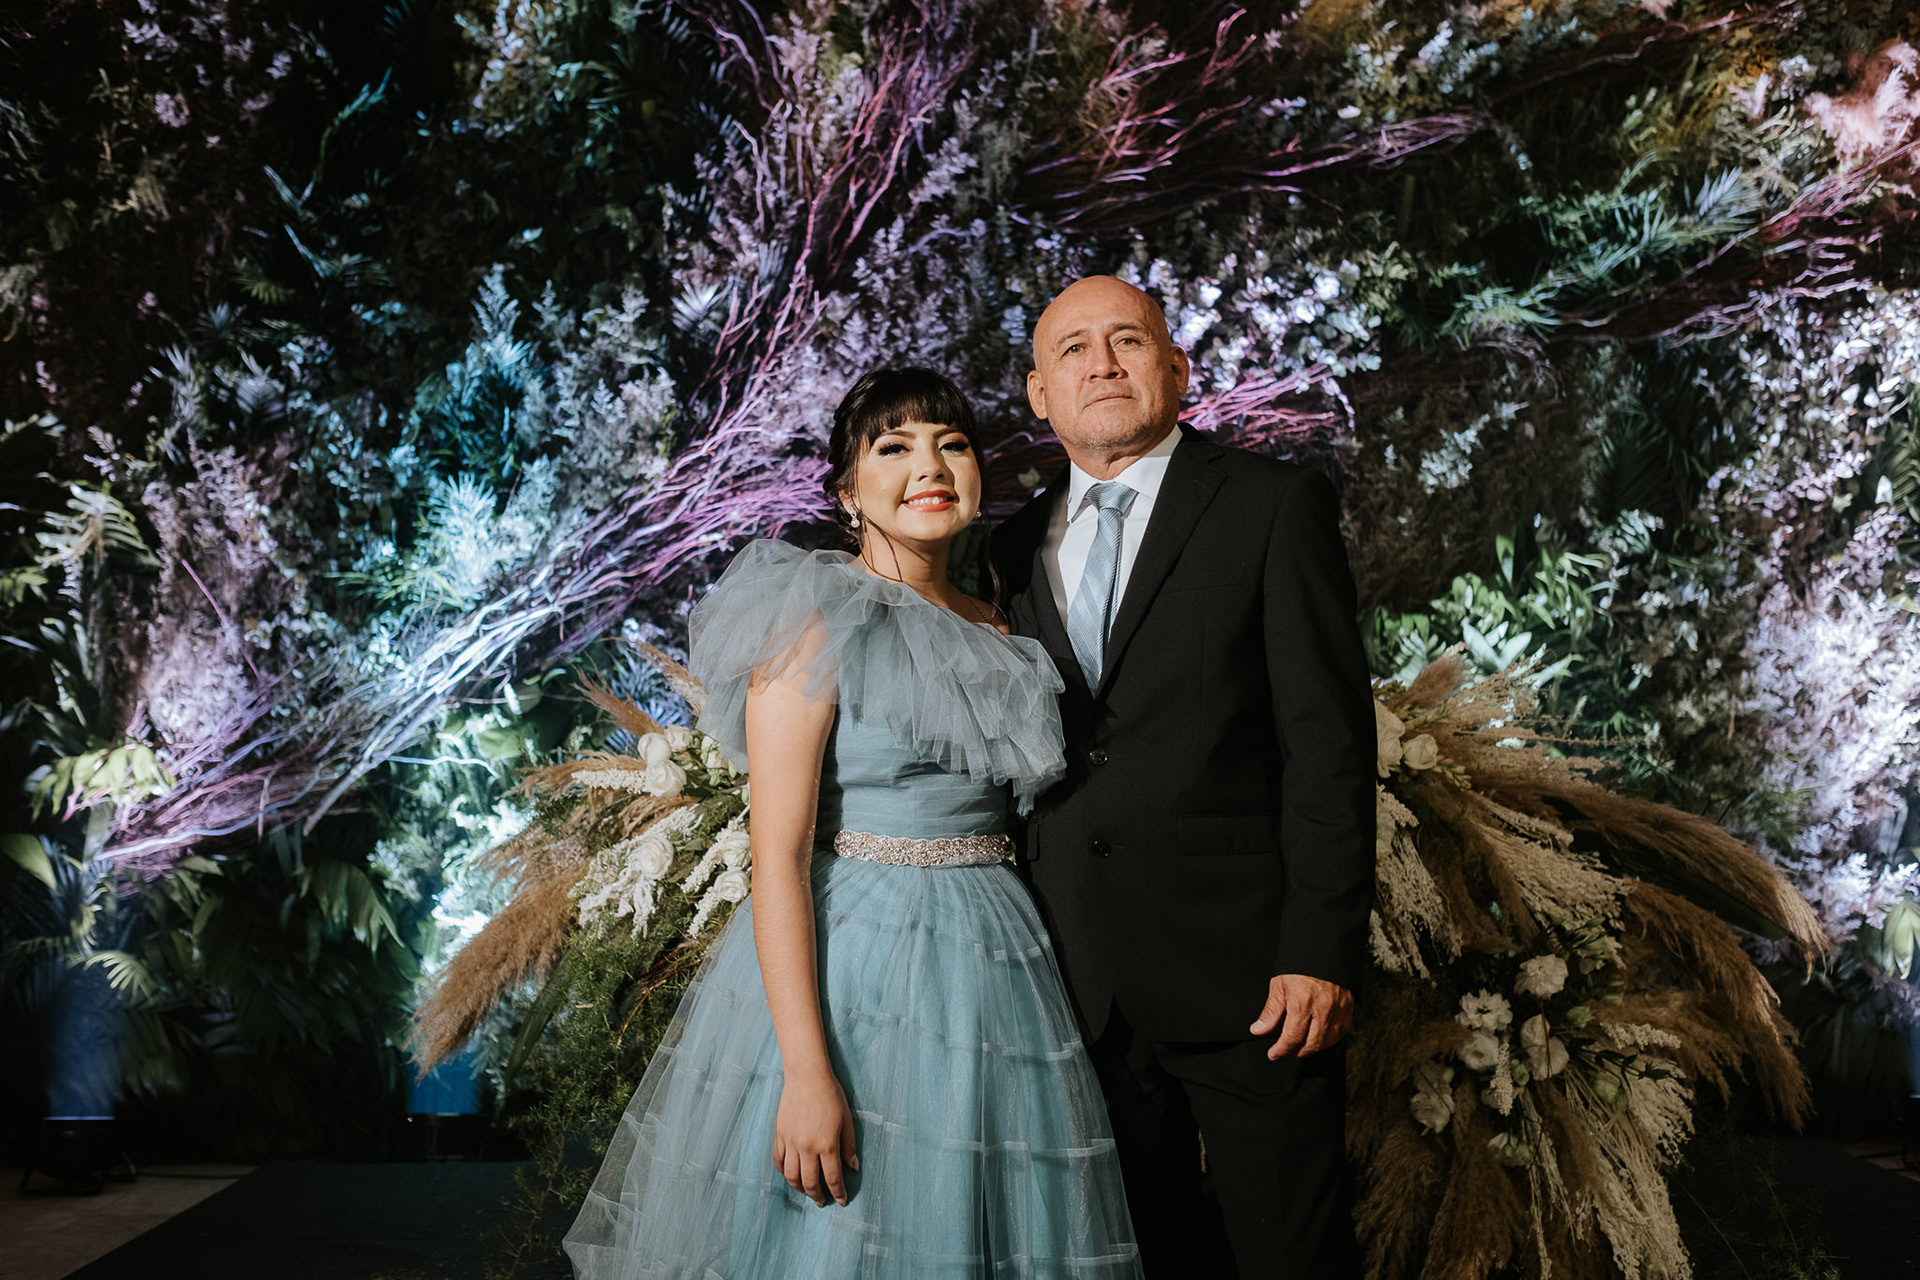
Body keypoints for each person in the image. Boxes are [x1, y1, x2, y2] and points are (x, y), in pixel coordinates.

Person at [564, 367, 1142, 1279]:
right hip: (861, 965)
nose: (930, 466)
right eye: (894, 447)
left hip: (998, 962)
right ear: (847, 491)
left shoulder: (1002, 631)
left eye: (952, 444)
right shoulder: (815, 622)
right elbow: (777, 857)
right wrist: (805, 1072)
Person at [989, 277, 1377, 1279]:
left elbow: (1328, 745)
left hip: (1253, 980)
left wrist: (1319, 949)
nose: (1102, 364)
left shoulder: (1269, 505)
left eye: (1128, 340)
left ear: (1176, 367)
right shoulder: (1007, 548)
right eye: (1073, 348)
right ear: (1039, 393)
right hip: (1078, 985)